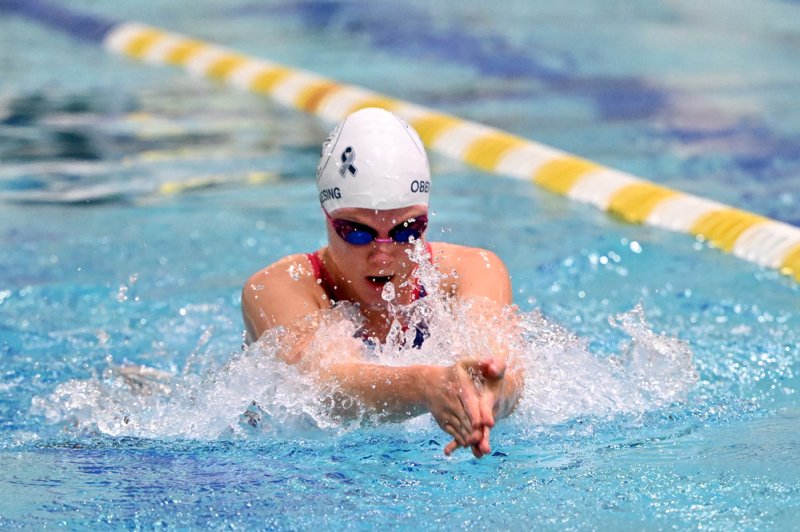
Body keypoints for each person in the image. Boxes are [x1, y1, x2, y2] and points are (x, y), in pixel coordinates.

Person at [241, 108, 523, 458]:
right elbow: (320, 388)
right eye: (358, 232)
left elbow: (504, 365)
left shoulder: (470, 271)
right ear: (326, 218)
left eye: (407, 230)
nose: (383, 255)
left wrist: (489, 395)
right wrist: (424, 386)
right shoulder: (281, 287)